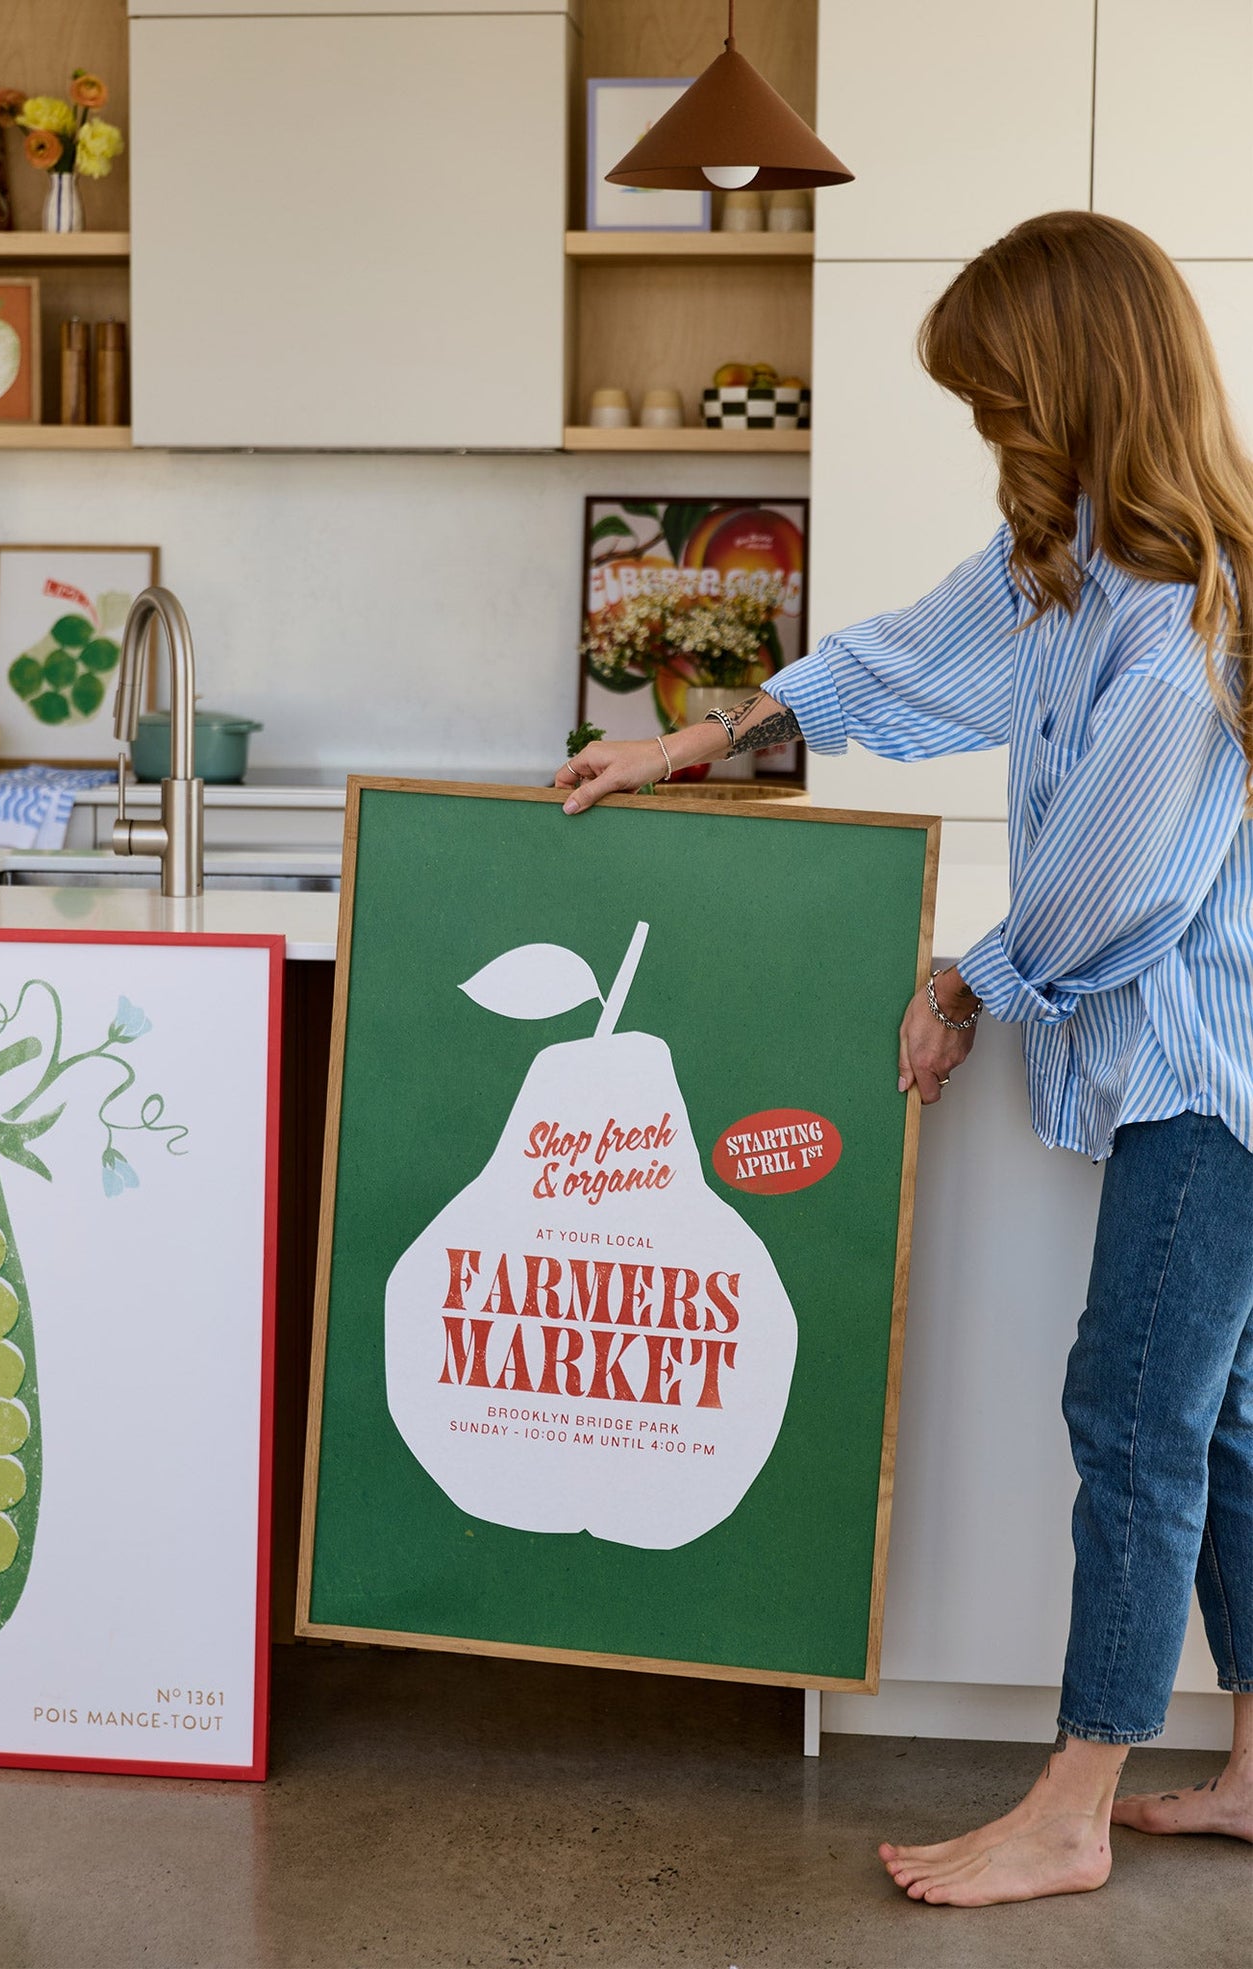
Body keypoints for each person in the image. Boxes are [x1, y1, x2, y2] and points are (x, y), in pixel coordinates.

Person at [554, 211, 1253, 1908]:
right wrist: (710, 733)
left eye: (999, 398)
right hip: (1188, 1065)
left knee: (1134, 1409)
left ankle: (1073, 1801)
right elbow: (906, 652)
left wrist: (969, 977)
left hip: (1210, 1082)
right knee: (1224, 1420)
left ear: (1076, 384)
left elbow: (1111, 886)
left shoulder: (1176, 628)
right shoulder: (1070, 563)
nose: (987, 433)